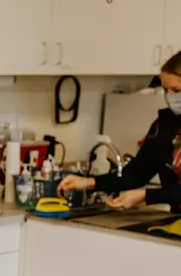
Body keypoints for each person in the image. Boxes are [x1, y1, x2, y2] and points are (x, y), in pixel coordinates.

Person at [58, 51, 181, 211]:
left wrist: (146, 195)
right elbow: (138, 172)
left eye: (176, 90)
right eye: (165, 90)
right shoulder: (165, 124)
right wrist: (90, 182)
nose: (169, 97)